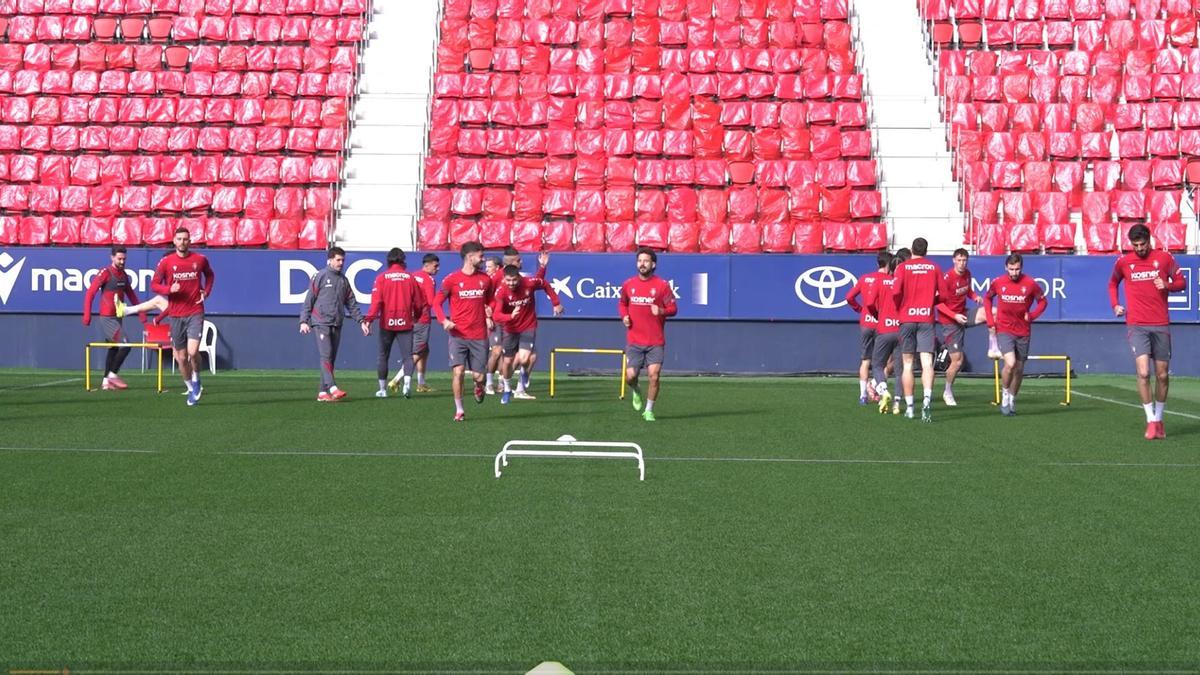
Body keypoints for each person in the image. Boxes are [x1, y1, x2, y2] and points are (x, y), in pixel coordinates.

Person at [1108, 224, 1186, 440]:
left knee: (1162, 375)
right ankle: (1150, 421)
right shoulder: (1124, 262)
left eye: (1143, 244)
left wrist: (1167, 285)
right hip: (1137, 324)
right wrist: (1115, 304)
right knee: (1143, 372)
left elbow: (1182, 282)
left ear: (1149, 241)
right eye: (1136, 245)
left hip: (1160, 323)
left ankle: (1159, 419)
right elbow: (1112, 283)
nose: (1140, 248)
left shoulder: (1164, 258)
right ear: (1131, 244)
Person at [151, 227, 214, 406]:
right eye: (179, 239)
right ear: (174, 241)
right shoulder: (166, 262)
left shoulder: (200, 259)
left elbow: (210, 275)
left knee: (193, 352)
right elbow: (154, 284)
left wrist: (206, 291)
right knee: (181, 357)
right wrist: (168, 289)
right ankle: (190, 388)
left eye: (185, 239)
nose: (182, 242)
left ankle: (197, 378)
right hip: (175, 314)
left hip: (195, 311)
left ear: (190, 241)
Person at [433, 241, 494, 421]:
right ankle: (459, 410)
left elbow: (492, 301)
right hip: (458, 335)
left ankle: (479, 386)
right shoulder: (451, 280)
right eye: (481, 256)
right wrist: (444, 320)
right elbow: (436, 303)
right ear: (470, 257)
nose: (483, 259)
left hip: (479, 335)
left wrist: (490, 308)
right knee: (458, 372)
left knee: (479, 376)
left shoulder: (485, 279)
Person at [299, 247, 369, 402]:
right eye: (338, 260)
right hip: (321, 322)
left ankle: (322, 392)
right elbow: (309, 299)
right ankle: (332, 387)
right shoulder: (320, 276)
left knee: (331, 358)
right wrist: (304, 320)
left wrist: (361, 321)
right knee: (326, 355)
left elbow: (351, 303)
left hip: (337, 322)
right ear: (330, 260)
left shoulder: (343, 280)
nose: (341, 263)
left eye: (343, 260)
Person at [984, 253, 1047, 417]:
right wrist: (991, 321)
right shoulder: (998, 282)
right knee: (1010, 363)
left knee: (1019, 369)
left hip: (1023, 331)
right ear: (1006, 268)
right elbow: (987, 299)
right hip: (1004, 329)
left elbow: (1043, 301)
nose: (1014, 272)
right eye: (1011, 269)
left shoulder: (1030, 284)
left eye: (1017, 269)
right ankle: (1004, 393)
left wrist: (1032, 316)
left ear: (1021, 268)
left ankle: (1012, 398)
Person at [619, 247, 678, 422]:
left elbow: (673, 309)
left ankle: (649, 410)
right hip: (635, 340)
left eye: (646, 261)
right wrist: (625, 317)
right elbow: (622, 304)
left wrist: (660, 310)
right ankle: (636, 390)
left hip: (655, 341)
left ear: (653, 264)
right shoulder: (628, 284)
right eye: (639, 261)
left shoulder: (662, 285)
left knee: (654, 375)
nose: (642, 264)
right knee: (630, 376)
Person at [492, 263, 564, 404]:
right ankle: (507, 388)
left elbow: (545, 284)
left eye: (514, 280)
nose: (511, 283)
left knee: (525, 359)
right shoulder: (501, 292)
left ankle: (524, 375)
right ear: (504, 279)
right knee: (507, 362)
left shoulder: (529, 283)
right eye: (508, 280)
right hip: (510, 329)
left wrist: (556, 303)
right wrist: (510, 317)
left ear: (519, 277)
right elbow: (496, 316)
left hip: (528, 325)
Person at [366, 248, 428, 399]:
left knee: (383, 356)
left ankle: (382, 389)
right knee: (407, 356)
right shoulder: (410, 277)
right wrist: (417, 316)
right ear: (403, 260)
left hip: (386, 322)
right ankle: (407, 384)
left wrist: (369, 319)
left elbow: (376, 302)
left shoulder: (381, 278)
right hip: (405, 322)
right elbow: (420, 302)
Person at [892, 237, 942, 422]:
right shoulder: (934, 267)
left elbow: (895, 292)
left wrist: (900, 308)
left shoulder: (902, 268)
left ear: (911, 250)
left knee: (907, 365)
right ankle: (927, 402)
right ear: (926, 251)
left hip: (907, 318)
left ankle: (910, 408)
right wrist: (930, 302)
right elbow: (943, 294)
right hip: (926, 318)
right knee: (927, 363)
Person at [83, 246, 145, 391]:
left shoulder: (124, 275)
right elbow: (90, 293)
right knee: (126, 344)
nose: (122, 261)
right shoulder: (105, 273)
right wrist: (87, 315)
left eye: (124, 259)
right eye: (119, 258)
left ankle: (106, 382)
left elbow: (132, 295)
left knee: (113, 349)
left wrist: (141, 313)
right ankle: (112, 375)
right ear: (112, 257)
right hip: (107, 318)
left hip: (118, 318)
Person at [935, 248, 984, 407]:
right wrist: (954, 316)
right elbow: (938, 303)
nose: (962, 263)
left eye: (964, 260)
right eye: (959, 260)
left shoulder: (967, 274)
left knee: (992, 313)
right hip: (950, 322)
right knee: (957, 361)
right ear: (954, 260)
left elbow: (967, 290)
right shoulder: (947, 278)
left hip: (963, 315)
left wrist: (975, 296)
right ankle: (947, 391)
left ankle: (995, 345)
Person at [845, 251, 891, 405]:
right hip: (881, 324)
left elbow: (849, 297)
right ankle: (879, 391)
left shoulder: (865, 278)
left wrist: (860, 309)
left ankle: (863, 396)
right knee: (882, 362)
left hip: (866, 322)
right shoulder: (889, 280)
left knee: (865, 360)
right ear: (889, 265)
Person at [392, 253, 440, 394]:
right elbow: (432, 301)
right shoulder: (428, 279)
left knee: (424, 350)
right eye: (435, 266)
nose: (438, 269)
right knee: (418, 351)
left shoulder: (412, 276)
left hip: (408, 319)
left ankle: (421, 383)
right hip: (422, 319)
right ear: (427, 265)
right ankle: (396, 379)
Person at [870, 250, 905, 415]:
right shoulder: (903, 284)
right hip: (900, 330)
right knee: (900, 371)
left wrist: (878, 316)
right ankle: (897, 404)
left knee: (877, 365)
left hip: (884, 329)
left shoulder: (880, 282)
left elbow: (869, 303)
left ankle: (883, 391)